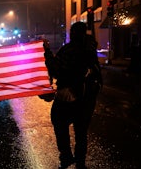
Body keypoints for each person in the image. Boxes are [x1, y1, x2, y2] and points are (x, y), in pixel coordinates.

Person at [43, 21, 102, 169]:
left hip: (67, 97)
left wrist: (47, 53)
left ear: (73, 33)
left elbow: (56, 70)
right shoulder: (90, 50)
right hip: (86, 98)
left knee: (59, 124)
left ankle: (66, 157)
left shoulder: (69, 50)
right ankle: (80, 163)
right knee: (81, 132)